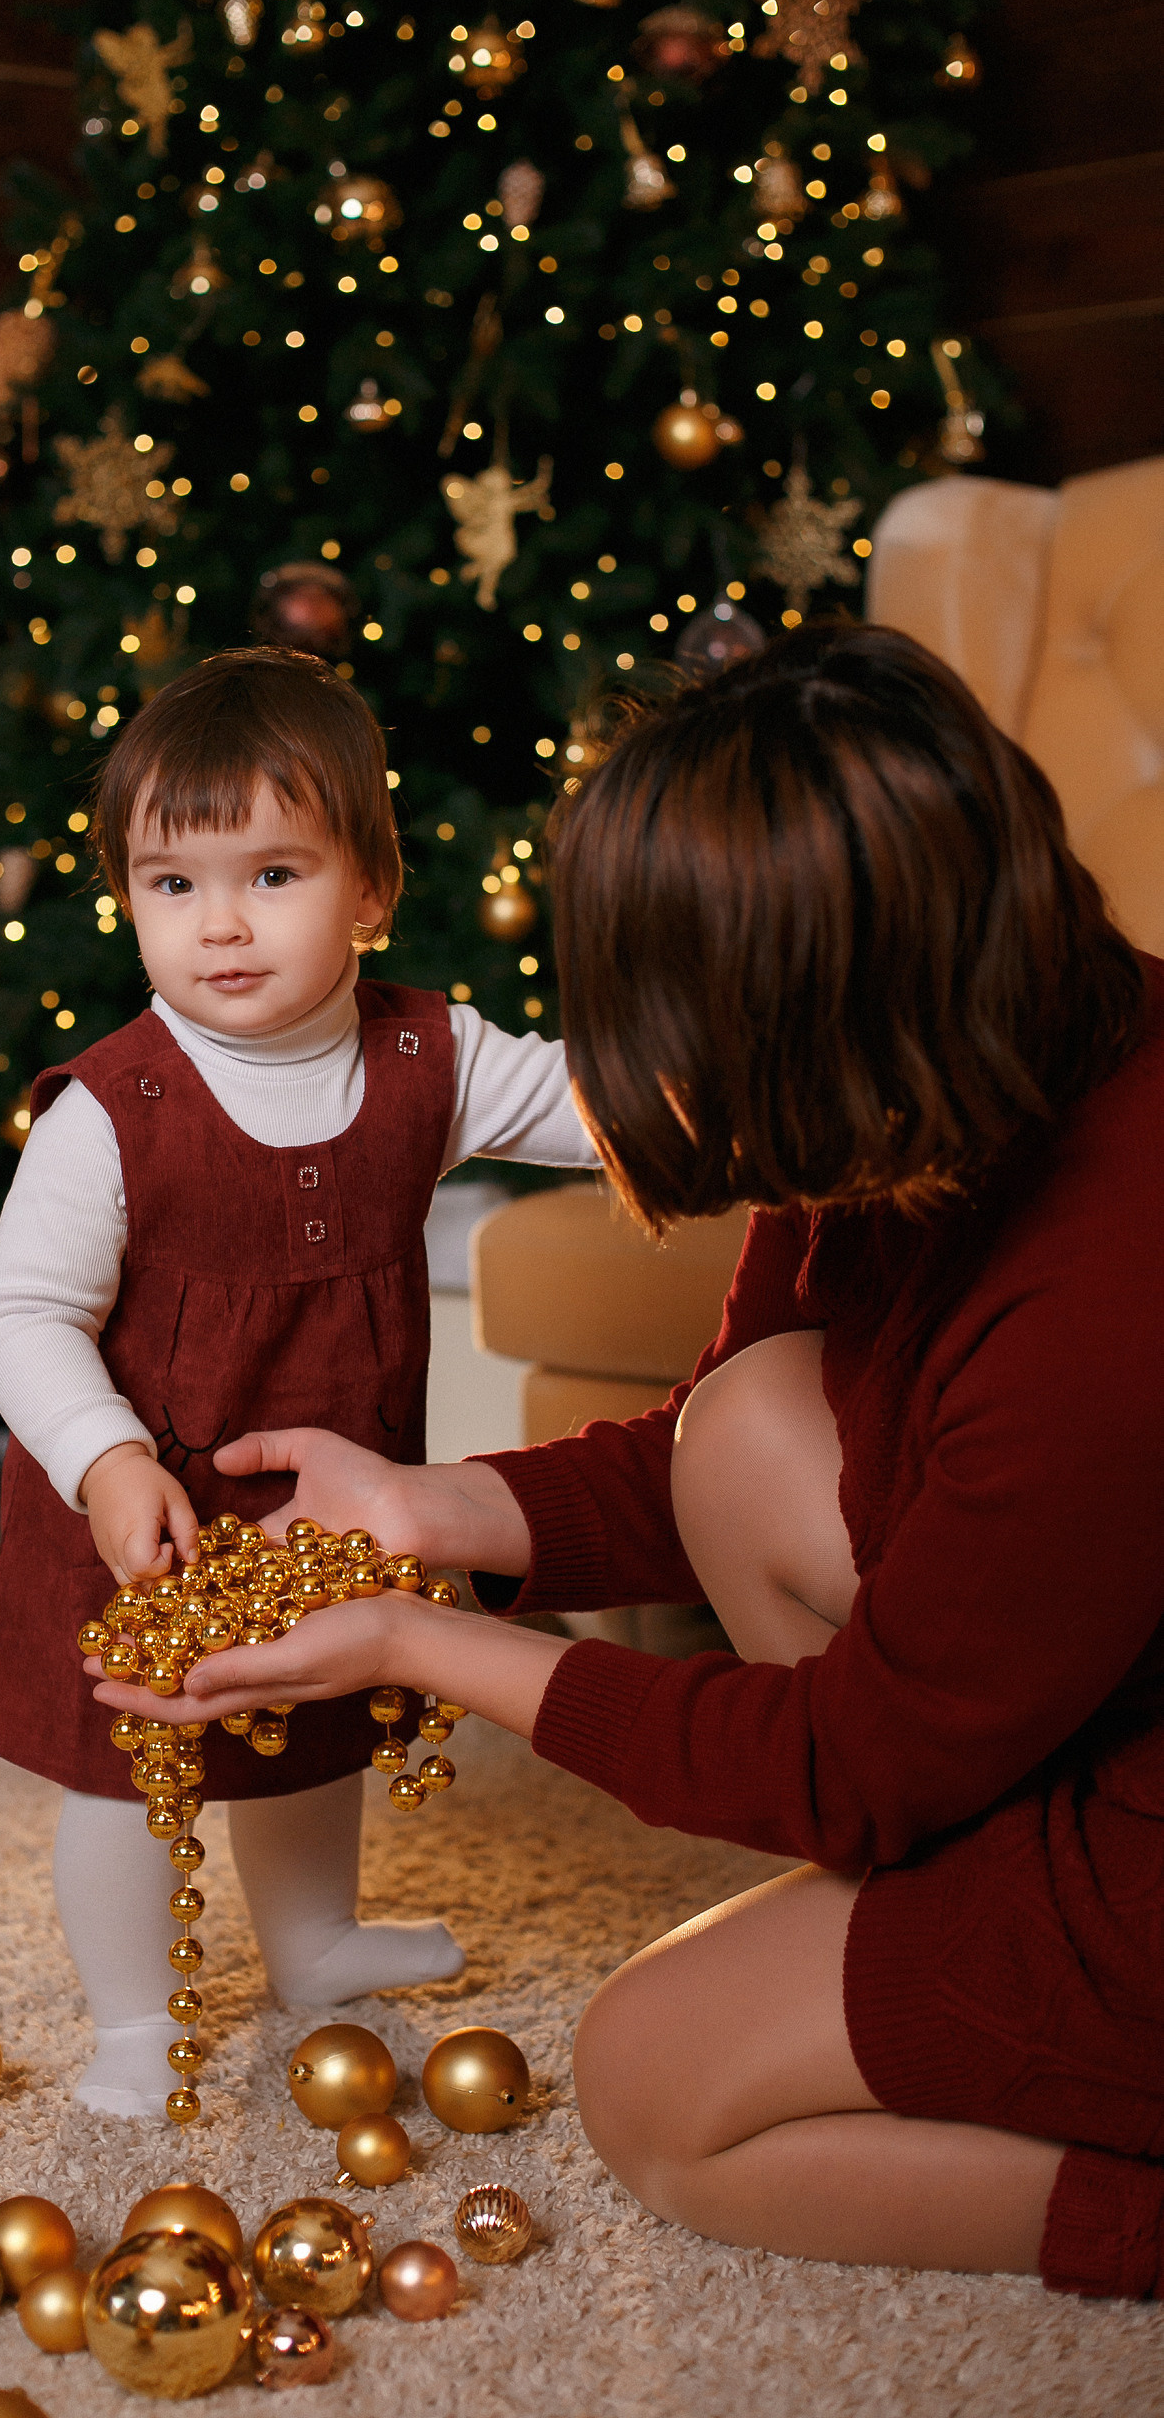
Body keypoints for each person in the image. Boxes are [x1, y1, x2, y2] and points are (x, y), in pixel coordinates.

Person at [91, 624, 1164, 2299]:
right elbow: (710, 1445)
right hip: (1071, 1685)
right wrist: (429, 1510)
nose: (656, 1079)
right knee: (749, 1431)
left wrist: (414, 1639)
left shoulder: (1113, 1288)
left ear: (826, 1011)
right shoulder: (931, 1059)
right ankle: (944, 1916)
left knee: (656, 2093)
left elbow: (849, 1764)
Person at [0, 646, 596, 2116]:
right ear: (126, 894)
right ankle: (129, 2018)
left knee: (318, 1719)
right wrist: (106, 1461)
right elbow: (24, 1313)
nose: (221, 925)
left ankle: (313, 1940)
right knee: (132, 1764)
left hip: (325, 1502)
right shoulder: (113, 1110)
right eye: (173, 884)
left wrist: (726, 1077)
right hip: (144, 1514)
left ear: (369, 889)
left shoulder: (430, 1055)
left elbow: (588, 1102)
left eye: (275, 875)